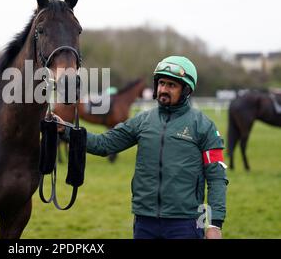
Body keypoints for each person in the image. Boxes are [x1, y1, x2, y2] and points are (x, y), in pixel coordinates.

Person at [55, 56, 228, 239]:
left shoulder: (204, 126)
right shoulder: (142, 121)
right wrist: (65, 130)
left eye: (171, 85)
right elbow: (103, 144)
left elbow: (217, 177)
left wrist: (215, 224)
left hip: (188, 222)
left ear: (186, 90)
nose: (163, 89)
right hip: (144, 221)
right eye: (161, 83)